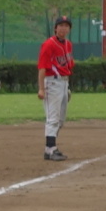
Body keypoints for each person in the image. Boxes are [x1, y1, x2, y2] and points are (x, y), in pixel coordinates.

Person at [38, 16, 74, 161]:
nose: (63, 28)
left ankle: (51, 147)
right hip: (52, 82)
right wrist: (41, 88)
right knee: (53, 118)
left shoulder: (68, 45)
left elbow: (68, 66)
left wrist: (67, 87)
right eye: (61, 25)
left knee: (61, 119)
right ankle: (50, 149)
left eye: (66, 26)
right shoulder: (48, 44)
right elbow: (42, 68)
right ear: (55, 28)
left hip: (63, 83)